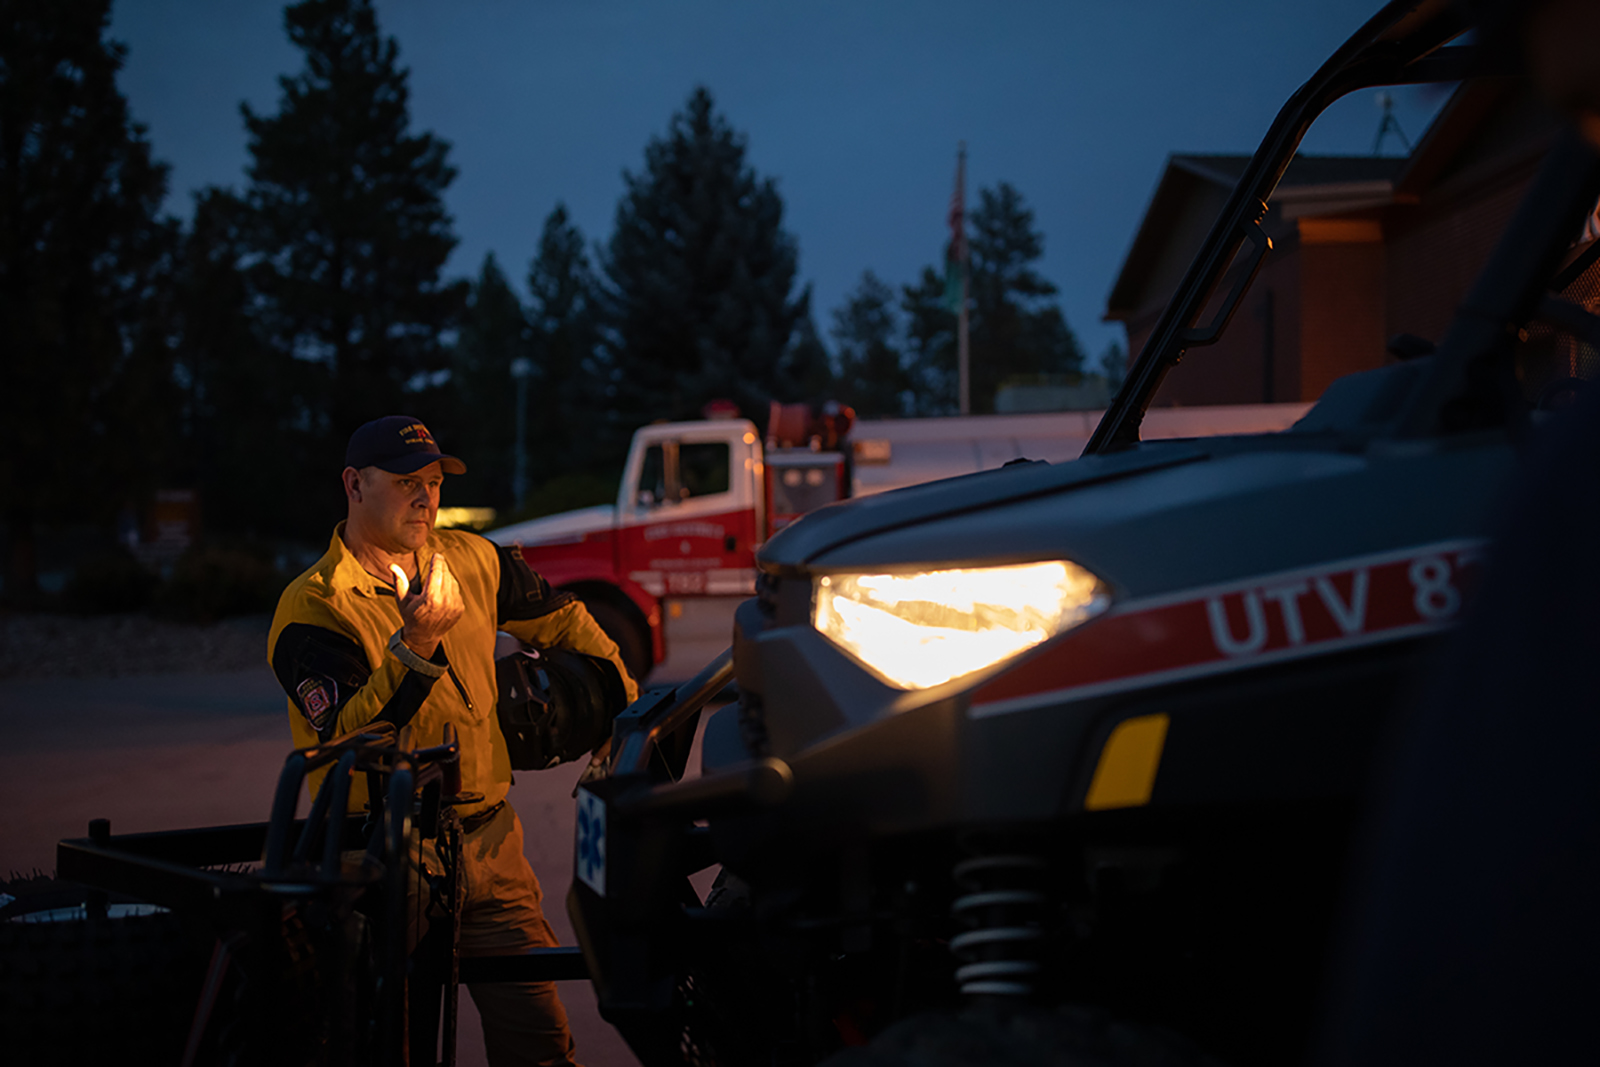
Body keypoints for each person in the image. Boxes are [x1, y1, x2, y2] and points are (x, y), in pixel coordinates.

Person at [267, 414, 638, 1067]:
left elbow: (567, 620)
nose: (426, 497)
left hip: (490, 845)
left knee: (541, 1041)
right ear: (354, 485)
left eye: (434, 481)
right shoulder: (315, 605)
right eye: (407, 480)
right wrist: (416, 645)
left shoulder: (473, 559)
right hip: (379, 859)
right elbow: (349, 732)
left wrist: (622, 714)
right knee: (379, 1043)